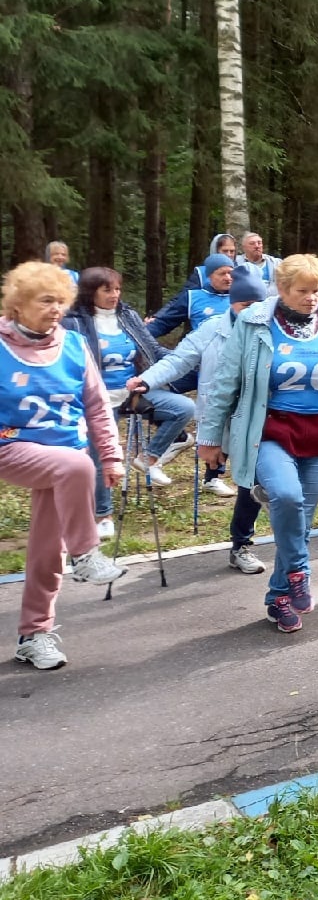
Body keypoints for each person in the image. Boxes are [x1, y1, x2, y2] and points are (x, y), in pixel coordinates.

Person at [201, 254, 318, 633]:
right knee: (287, 498)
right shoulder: (254, 322)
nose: (311, 298)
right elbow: (226, 381)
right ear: (281, 289)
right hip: (270, 431)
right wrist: (210, 437)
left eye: (317, 290)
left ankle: (278, 597)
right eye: (302, 291)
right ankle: (300, 570)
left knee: (299, 524)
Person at [1, 262, 126, 670]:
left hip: (63, 459)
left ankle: (34, 635)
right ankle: (87, 553)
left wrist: (110, 456)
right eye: (45, 300)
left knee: (45, 550)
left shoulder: (73, 345)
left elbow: (96, 405)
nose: (56, 309)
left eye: (61, 301)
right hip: (11, 448)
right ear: (17, 305)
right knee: (74, 465)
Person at [132, 271, 272, 570]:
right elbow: (178, 360)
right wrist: (146, 380)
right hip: (221, 417)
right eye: (244, 305)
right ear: (232, 304)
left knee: (255, 480)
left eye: (258, 304)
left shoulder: (272, 327)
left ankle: (245, 544)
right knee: (249, 481)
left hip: (260, 416)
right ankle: (242, 544)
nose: (252, 311)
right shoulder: (212, 329)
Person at [62, 267, 195, 515]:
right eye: (107, 290)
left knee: (184, 407)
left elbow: (153, 349)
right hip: (95, 399)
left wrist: (187, 362)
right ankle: (102, 512)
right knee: (102, 454)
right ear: (91, 292)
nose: (115, 295)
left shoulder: (127, 315)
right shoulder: (72, 321)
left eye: (118, 289)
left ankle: (148, 458)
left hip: (133, 392)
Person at [148, 254, 234, 341]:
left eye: (230, 273)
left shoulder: (243, 298)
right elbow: (164, 323)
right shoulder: (192, 297)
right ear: (209, 276)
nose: (228, 278)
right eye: (222, 274)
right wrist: (139, 335)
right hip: (203, 351)